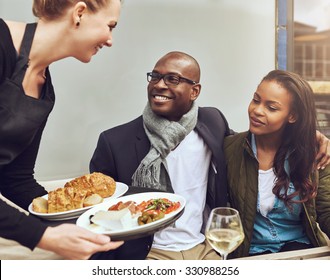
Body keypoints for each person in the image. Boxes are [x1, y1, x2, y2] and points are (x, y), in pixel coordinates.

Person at [0, 0, 123, 260]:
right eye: (110, 26)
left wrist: (81, 217)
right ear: (79, 13)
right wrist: (43, 236)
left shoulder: (44, 88)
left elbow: (16, 179)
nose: (110, 40)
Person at [90, 51, 232, 260]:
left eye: (172, 79)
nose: (159, 85)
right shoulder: (114, 142)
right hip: (149, 252)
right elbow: (97, 215)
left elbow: (245, 151)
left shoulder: (213, 122)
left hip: (205, 247)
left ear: (194, 91)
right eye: (155, 76)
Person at [224, 70, 330, 258]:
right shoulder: (229, 149)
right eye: (256, 100)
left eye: (271, 108)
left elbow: (326, 210)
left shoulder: (314, 153)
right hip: (251, 254)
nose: (257, 110)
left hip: (301, 251)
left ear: (293, 116)